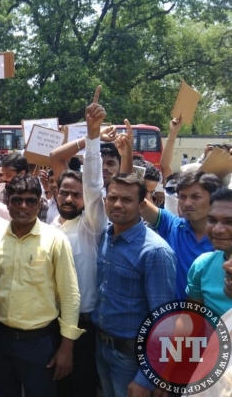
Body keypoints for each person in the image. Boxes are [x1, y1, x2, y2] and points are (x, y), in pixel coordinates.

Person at [0, 173, 81, 396]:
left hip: (39, 343)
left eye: (30, 200)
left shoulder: (55, 240)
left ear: (39, 204)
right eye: (16, 200)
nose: (23, 206)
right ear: (7, 203)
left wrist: (66, 348)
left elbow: (69, 295)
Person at [93, 173, 177, 397]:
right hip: (102, 348)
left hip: (132, 359)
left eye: (127, 200)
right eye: (112, 198)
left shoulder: (155, 252)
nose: (117, 204)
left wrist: (147, 376)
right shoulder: (106, 237)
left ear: (141, 206)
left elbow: (164, 320)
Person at [51, 86, 107, 397]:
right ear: (55, 194)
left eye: (77, 194)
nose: (70, 198)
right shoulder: (50, 223)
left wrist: (93, 135)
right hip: (50, 324)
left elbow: (94, 185)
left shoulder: (92, 225)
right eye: (64, 193)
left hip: (84, 328)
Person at [141, 170, 220, 299]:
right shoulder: (171, 225)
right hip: (171, 316)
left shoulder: (224, 238)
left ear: (213, 198)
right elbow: (136, 199)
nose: (187, 203)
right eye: (182, 197)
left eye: (195, 197)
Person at [186, 187, 232, 317]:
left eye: (230, 222)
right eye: (212, 220)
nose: (217, 229)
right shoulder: (203, 264)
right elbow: (190, 320)